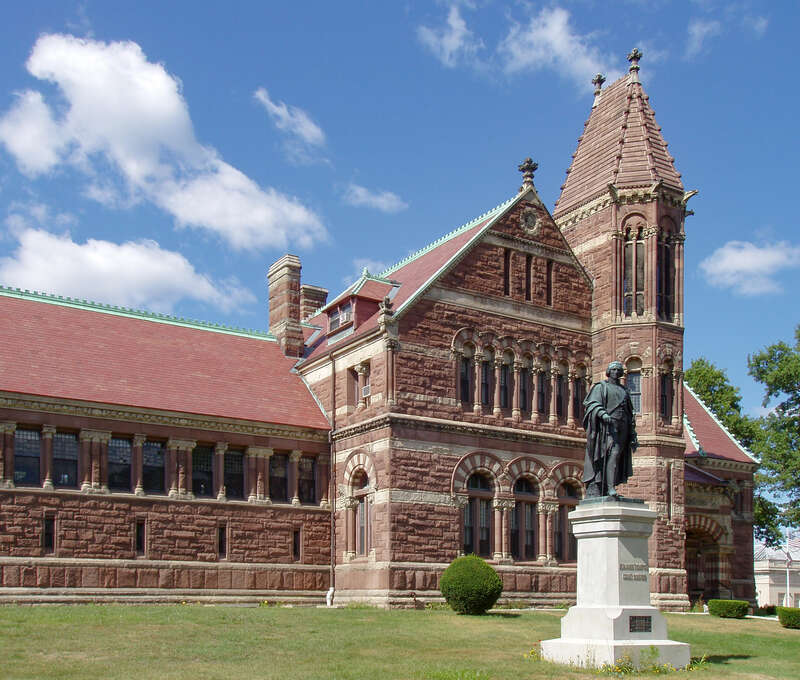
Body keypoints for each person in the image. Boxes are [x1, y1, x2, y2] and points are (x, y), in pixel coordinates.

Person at [582, 361, 638, 497]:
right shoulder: (601, 387)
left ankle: (608, 488)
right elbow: (591, 404)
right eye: (614, 369)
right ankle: (609, 488)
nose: (617, 372)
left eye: (619, 370)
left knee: (617, 456)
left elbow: (630, 413)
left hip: (622, 427)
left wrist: (632, 434)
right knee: (612, 453)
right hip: (607, 427)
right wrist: (602, 413)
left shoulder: (624, 390)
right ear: (609, 371)